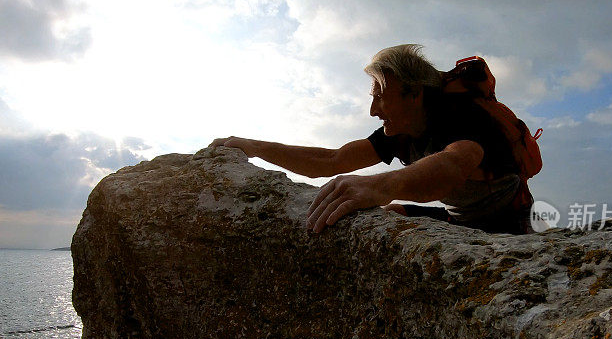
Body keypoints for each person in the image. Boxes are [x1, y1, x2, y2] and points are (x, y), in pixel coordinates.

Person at [212, 44, 532, 234]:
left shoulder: (463, 117)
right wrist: (254, 147)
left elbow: (454, 164)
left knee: (386, 203)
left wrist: (377, 186)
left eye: (380, 96)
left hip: (507, 224)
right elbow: (332, 160)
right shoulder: (401, 130)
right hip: (458, 218)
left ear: (414, 94)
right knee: (390, 213)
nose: (372, 110)